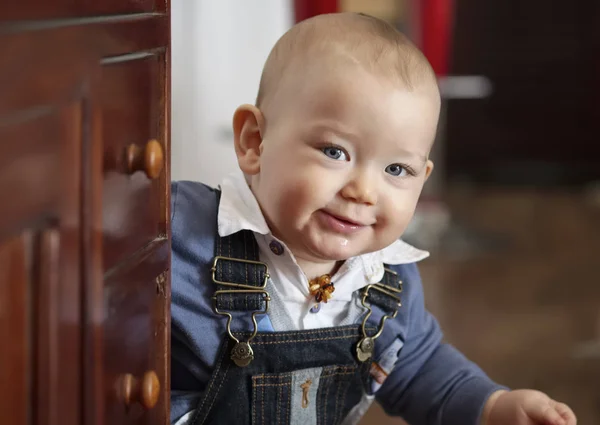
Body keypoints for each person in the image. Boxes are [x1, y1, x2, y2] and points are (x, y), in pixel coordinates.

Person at [170, 12, 577, 425]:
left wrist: (492, 408)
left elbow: (421, 370)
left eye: (396, 170)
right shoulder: (180, 230)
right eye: (334, 152)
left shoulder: (386, 281)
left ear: (423, 180)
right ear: (254, 141)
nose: (363, 192)